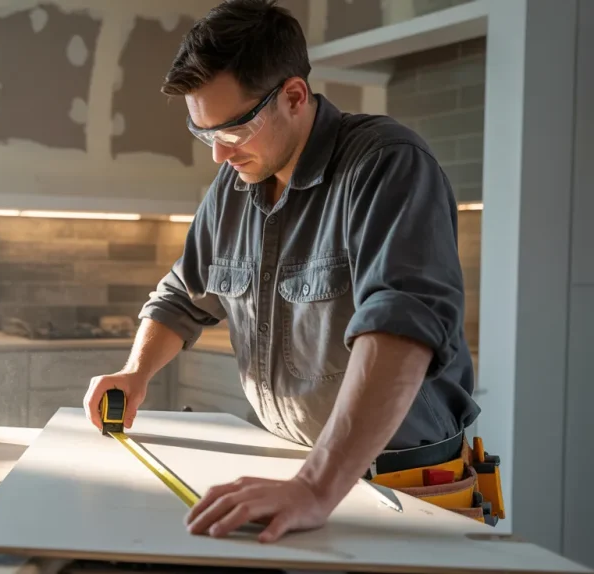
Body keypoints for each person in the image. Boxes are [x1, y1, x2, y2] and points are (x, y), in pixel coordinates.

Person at [83, 0, 483, 543]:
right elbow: (182, 296)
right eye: (204, 134)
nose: (218, 156)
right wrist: (136, 372)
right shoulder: (235, 184)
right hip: (293, 468)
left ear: (294, 96)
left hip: (399, 482)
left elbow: (399, 330)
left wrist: (317, 487)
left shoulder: (387, 165)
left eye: (233, 129)